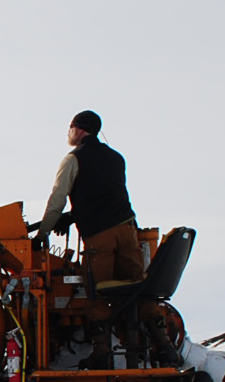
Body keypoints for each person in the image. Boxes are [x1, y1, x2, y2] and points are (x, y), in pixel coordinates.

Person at [32, 110, 145, 288]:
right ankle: (151, 316)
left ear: (79, 130)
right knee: (136, 289)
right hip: (128, 230)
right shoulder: (117, 158)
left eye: (70, 127)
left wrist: (42, 233)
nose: (68, 132)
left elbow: (57, 201)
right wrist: (73, 216)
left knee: (98, 292)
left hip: (100, 233)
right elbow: (105, 194)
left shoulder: (73, 159)